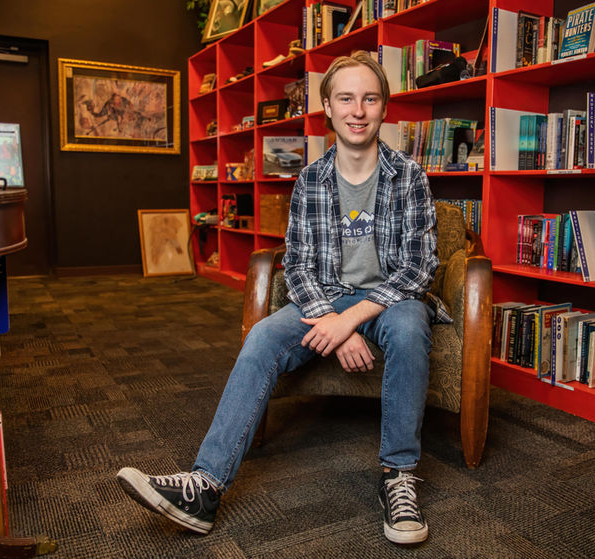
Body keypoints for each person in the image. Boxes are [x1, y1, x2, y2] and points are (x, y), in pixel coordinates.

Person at [117, 51, 448, 546]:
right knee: (264, 336)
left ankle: (398, 476)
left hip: (390, 301)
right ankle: (206, 486)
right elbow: (297, 265)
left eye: (369, 98)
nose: (358, 110)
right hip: (326, 298)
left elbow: (418, 268)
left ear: (383, 109)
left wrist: (349, 321)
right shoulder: (311, 179)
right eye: (346, 99)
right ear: (329, 110)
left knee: (408, 326)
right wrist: (330, 324)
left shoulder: (410, 176)